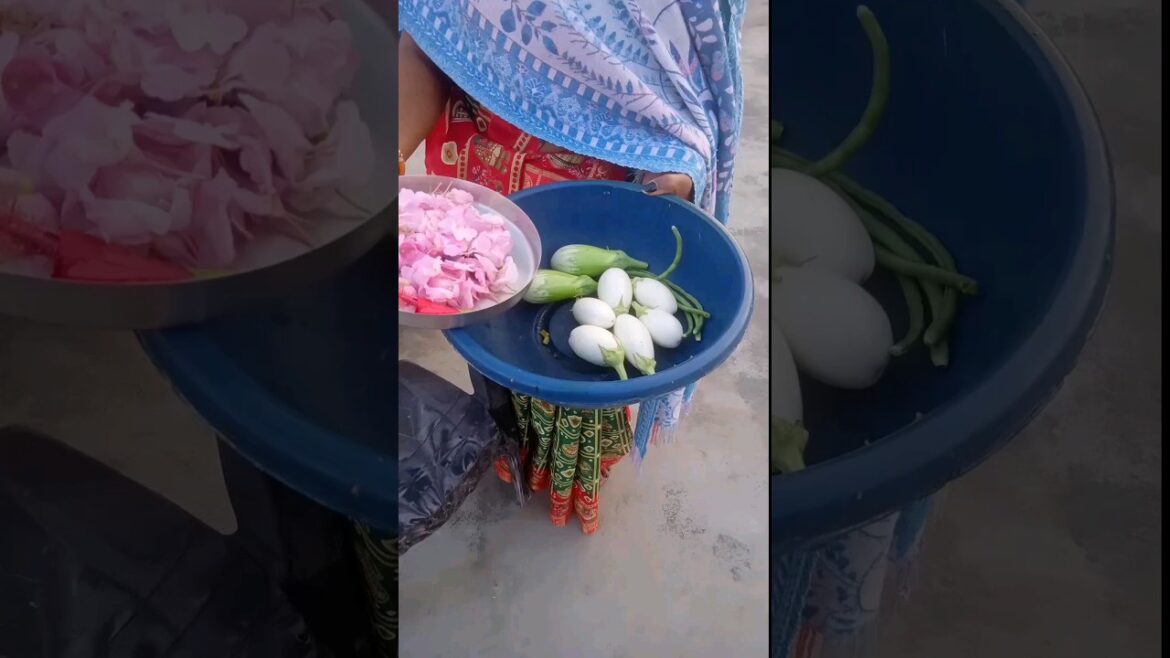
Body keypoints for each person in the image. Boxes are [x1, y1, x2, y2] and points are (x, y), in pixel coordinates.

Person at [398, 0, 745, 535]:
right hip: (480, 234)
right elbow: (429, 38)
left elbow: (691, 85)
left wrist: (680, 170)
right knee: (494, 356)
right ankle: (509, 442)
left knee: (579, 364)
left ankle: (565, 475)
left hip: (589, 218)